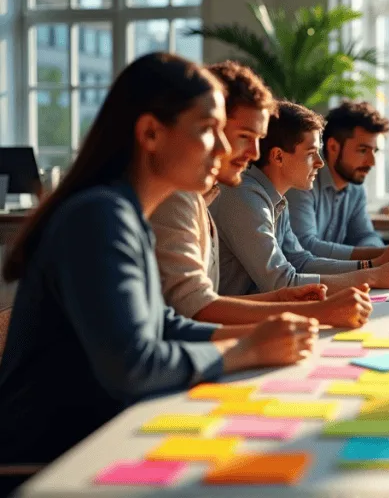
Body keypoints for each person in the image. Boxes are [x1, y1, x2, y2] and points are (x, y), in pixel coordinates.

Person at [0, 54, 321, 487]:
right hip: (56, 463)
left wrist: (257, 333)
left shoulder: (123, 213)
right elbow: (134, 365)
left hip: (99, 438)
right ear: (151, 132)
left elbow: (161, 323)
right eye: (209, 130)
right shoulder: (99, 216)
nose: (225, 150)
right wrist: (245, 350)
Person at [150, 61, 372, 326]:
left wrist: (286, 299)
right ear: (151, 132)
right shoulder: (205, 197)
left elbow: (201, 303)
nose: (255, 153)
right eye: (243, 135)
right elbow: (195, 311)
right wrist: (316, 309)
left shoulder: (203, 197)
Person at [211, 101, 389, 296]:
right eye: (311, 153)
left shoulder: (276, 198)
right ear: (278, 157)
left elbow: (301, 261)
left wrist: (371, 266)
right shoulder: (245, 196)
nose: (320, 163)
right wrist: (372, 275)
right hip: (229, 322)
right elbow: (282, 282)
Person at [287, 101, 389, 267]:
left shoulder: (356, 187)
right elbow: (305, 246)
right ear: (333, 146)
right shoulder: (303, 178)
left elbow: (365, 235)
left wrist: (378, 253)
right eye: (363, 150)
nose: (371, 162)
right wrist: (380, 254)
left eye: (374, 151)